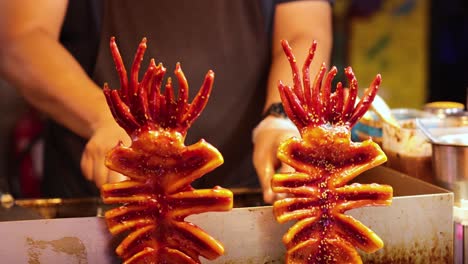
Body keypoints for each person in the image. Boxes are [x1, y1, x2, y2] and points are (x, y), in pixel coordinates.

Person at [0, 0, 332, 203]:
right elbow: (20, 39)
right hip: (105, 192)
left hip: (247, 190)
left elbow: (304, 30)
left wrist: (280, 115)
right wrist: (104, 118)